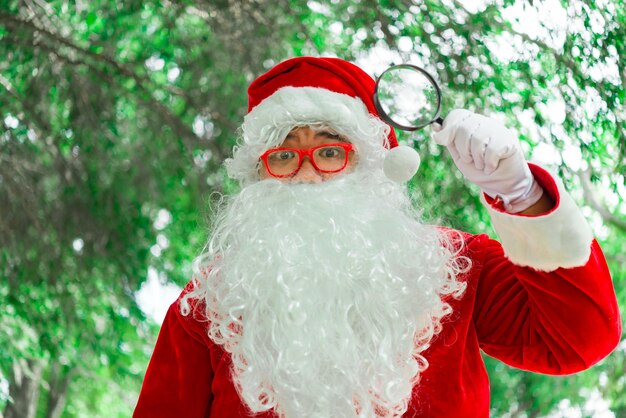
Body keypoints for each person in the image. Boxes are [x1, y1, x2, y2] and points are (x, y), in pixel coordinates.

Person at [133, 56, 621, 418]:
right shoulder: (212, 302)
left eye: (329, 152)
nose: (306, 174)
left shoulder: (454, 267)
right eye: (283, 156)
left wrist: (520, 193)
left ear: (371, 165)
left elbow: (579, 339)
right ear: (260, 175)